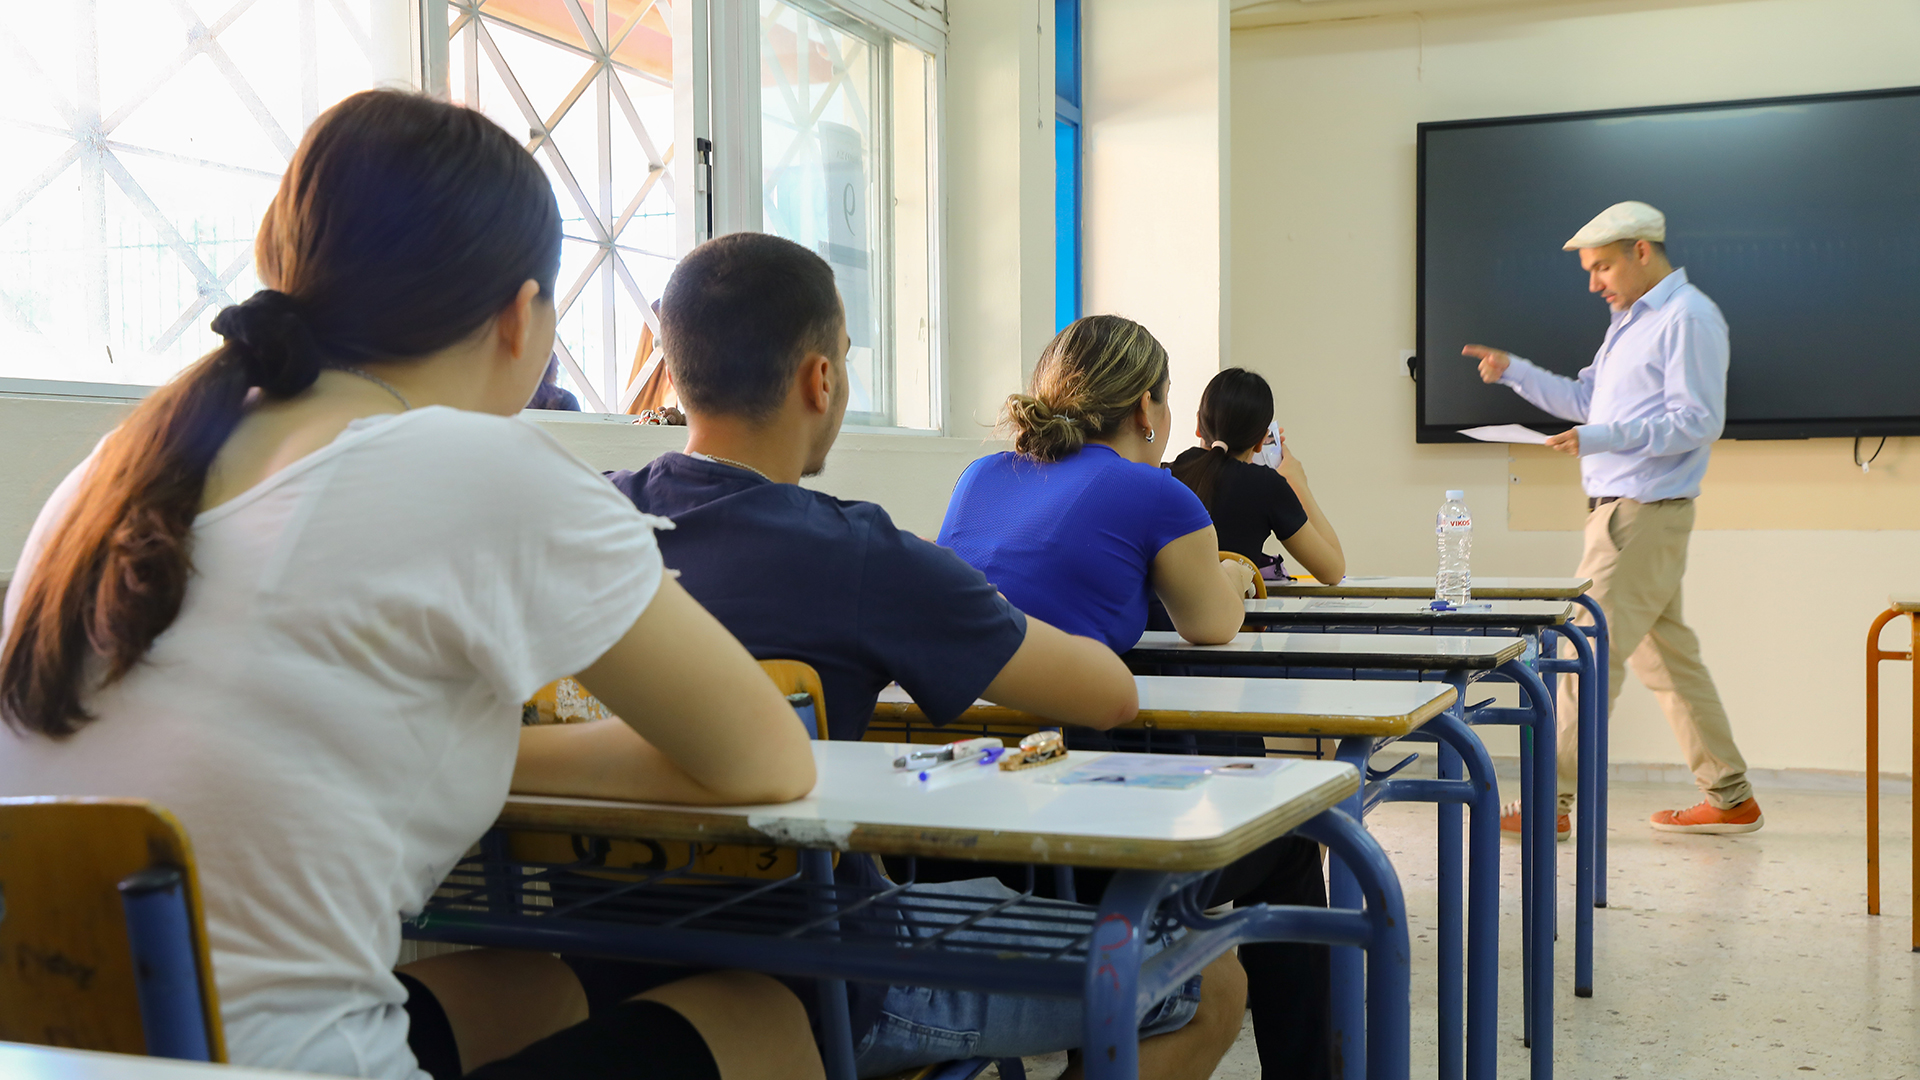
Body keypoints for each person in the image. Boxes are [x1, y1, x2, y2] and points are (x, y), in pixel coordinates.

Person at [0, 90, 823, 1080]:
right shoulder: (480, 467)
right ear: (520, 317)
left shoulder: (114, 474)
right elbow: (770, 761)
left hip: (59, 1059)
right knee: (758, 1012)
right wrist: (515, 751)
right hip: (279, 1066)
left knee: (534, 987)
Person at [603, 231, 1246, 1080]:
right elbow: (1108, 697)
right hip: (830, 976)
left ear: (677, 373)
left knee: (975, 895)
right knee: (1212, 974)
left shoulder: (590, 520)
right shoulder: (856, 549)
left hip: (605, 958)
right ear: (820, 379)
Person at [937, 317, 1332, 1080]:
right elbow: (1211, 626)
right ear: (1148, 409)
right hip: (1073, 827)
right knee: (1292, 849)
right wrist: (1237, 570)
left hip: (953, 822)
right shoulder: (1151, 490)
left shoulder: (981, 475)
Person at [1463, 199, 1762, 836]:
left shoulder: (1688, 317)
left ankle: (1552, 804)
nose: (1595, 283)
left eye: (1602, 268)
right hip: (1629, 516)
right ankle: (1730, 795)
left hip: (1639, 517)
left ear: (1642, 251)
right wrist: (1513, 373)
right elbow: (1584, 400)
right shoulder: (1630, 320)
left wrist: (1600, 438)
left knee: (1582, 653)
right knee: (1669, 662)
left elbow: (1697, 422)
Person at [1168, 367, 1345, 584]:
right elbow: (1333, 571)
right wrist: (1298, 484)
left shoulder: (1165, 474)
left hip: (1159, 617)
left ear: (1198, 425)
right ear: (1261, 441)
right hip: (1232, 618)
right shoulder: (1266, 487)